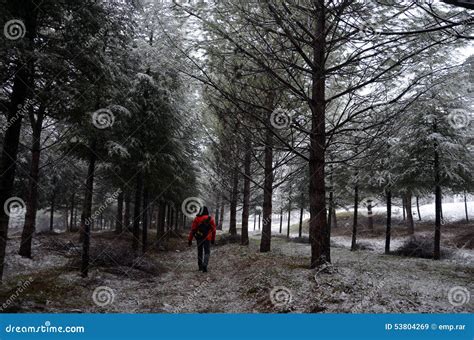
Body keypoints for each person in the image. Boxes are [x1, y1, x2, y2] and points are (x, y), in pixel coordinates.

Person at [188, 206, 216, 272]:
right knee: (207, 252)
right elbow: (214, 230)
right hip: (208, 238)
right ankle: (205, 264)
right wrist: (213, 239)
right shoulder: (210, 219)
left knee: (200, 252)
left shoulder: (197, 219)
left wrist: (190, 239)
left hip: (199, 238)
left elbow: (193, 230)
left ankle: (200, 266)